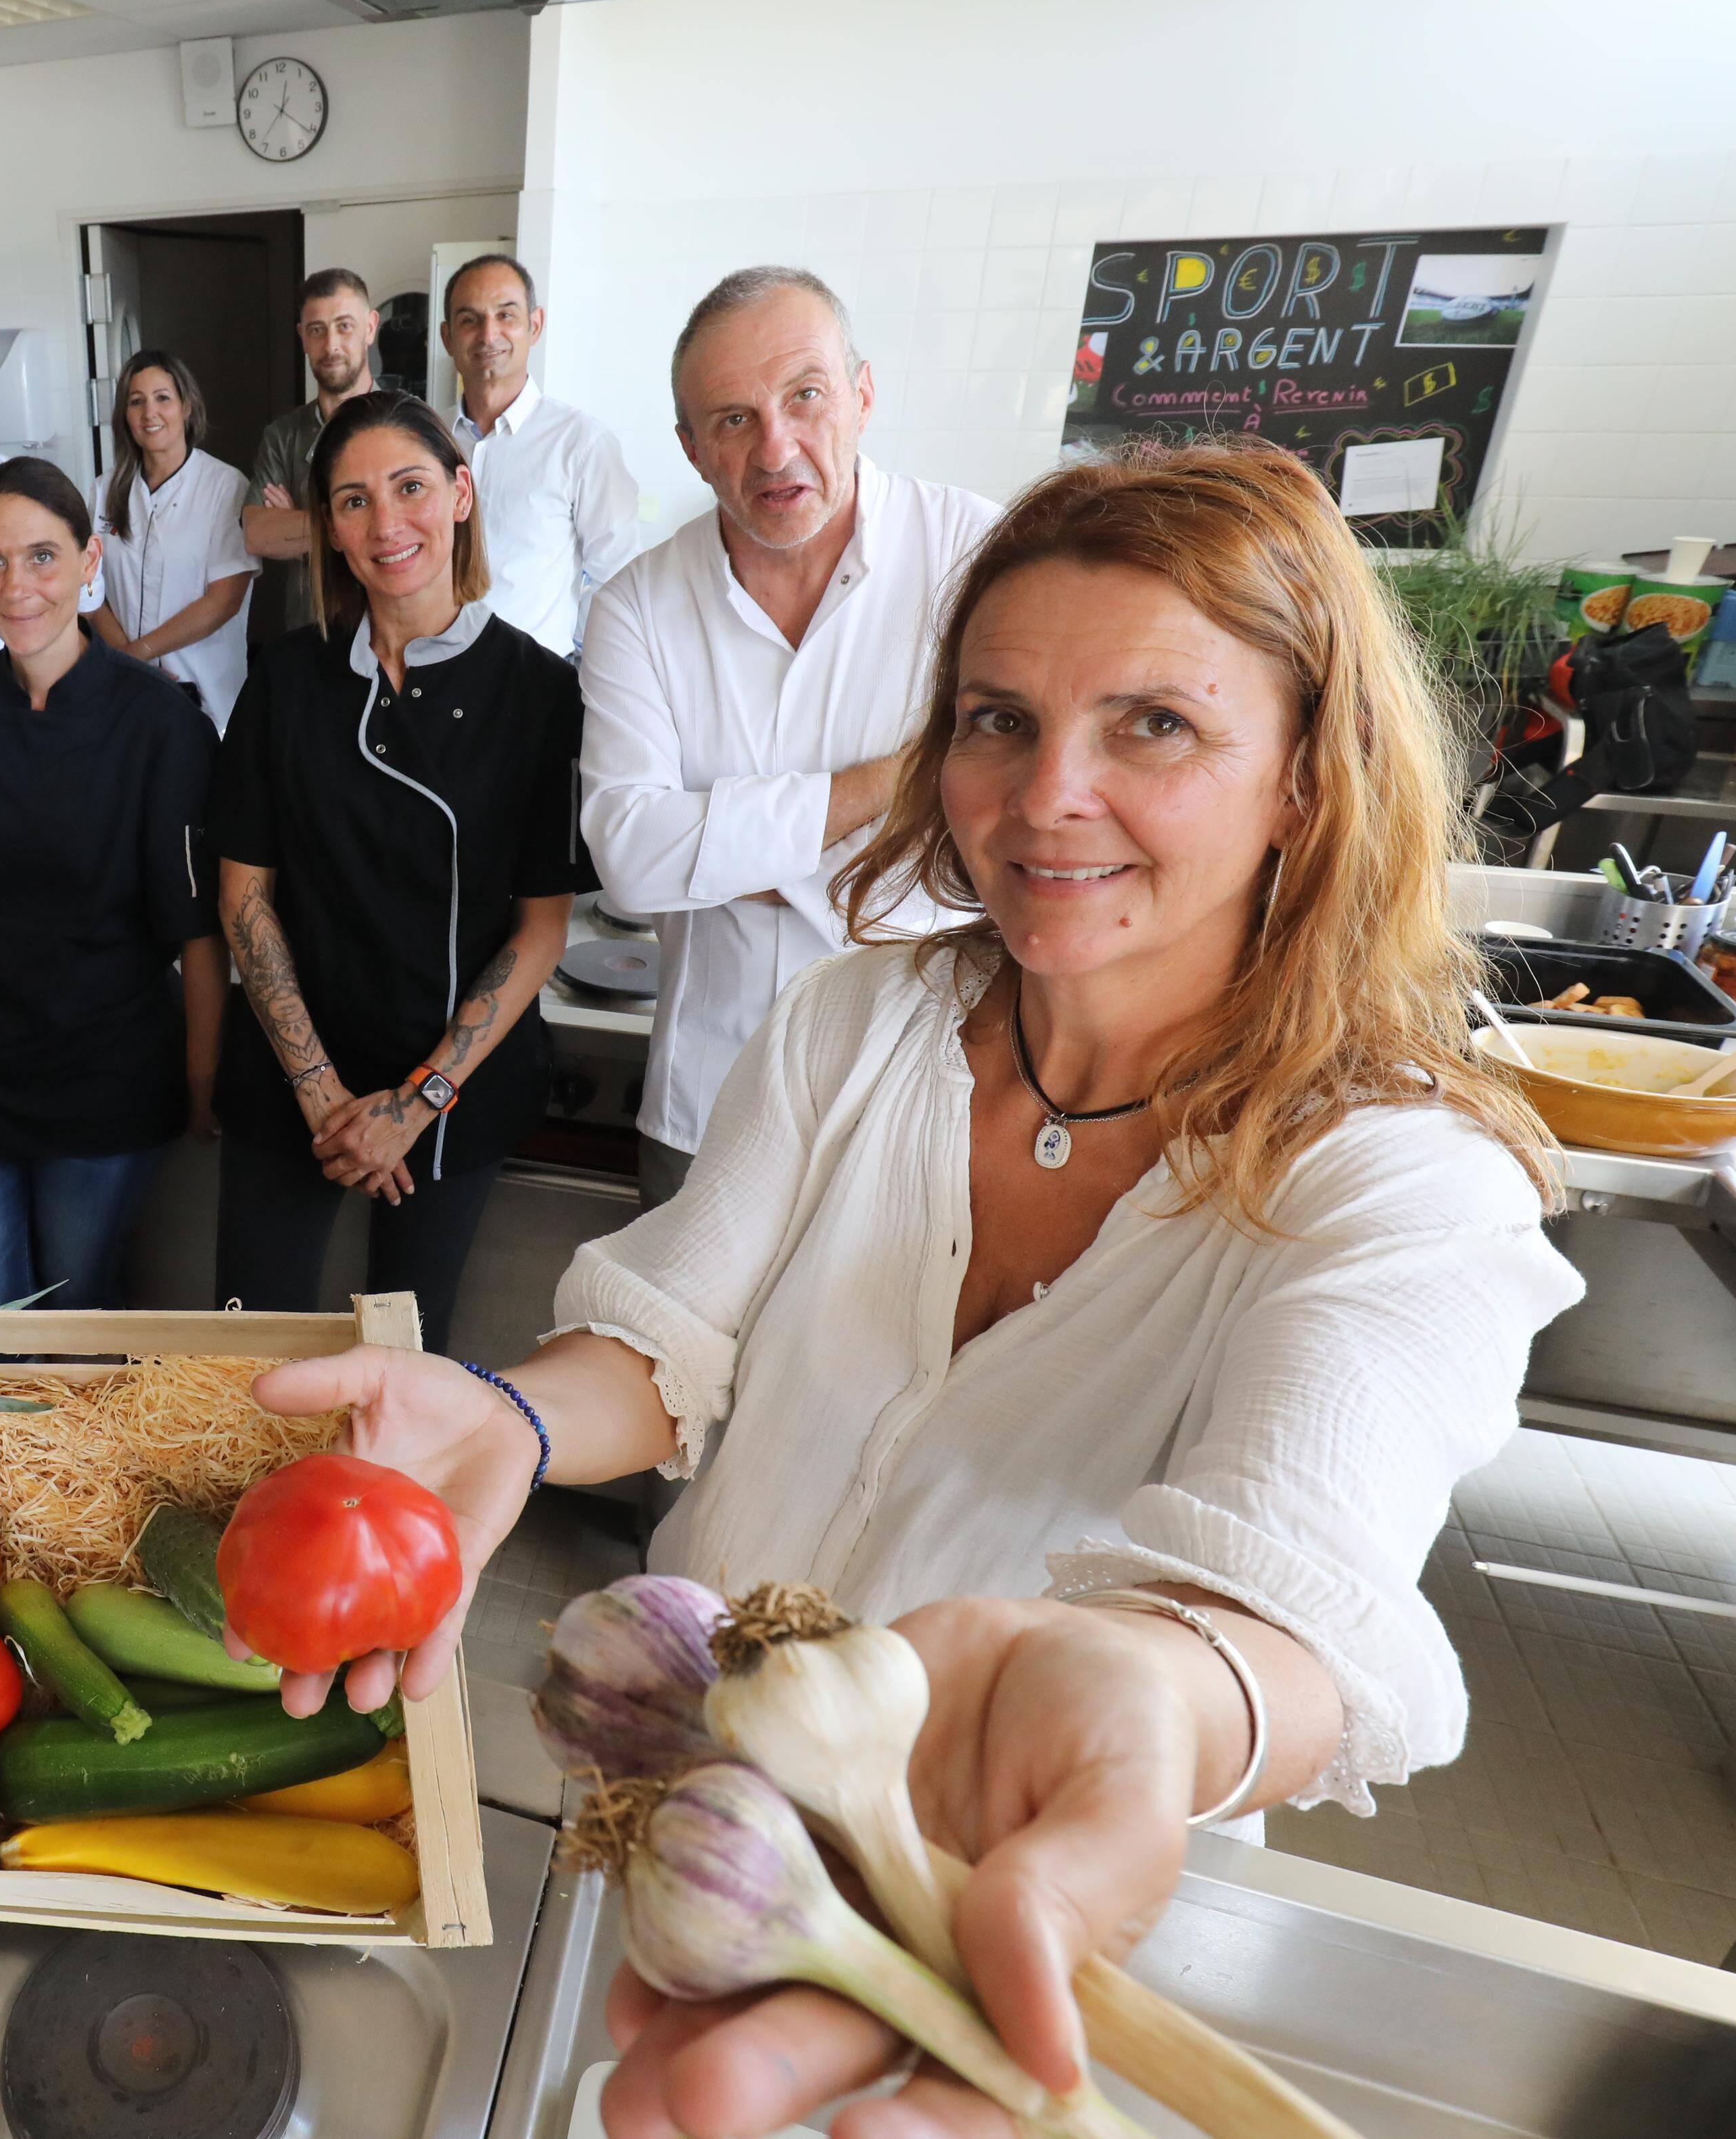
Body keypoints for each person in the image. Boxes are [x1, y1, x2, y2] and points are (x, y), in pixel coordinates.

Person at [240, 439, 1585, 2139]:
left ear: (1309, 776)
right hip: (709, 1851)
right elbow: (668, 1344)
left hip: (1026, 1929)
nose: (1043, 800)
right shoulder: (853, 1024)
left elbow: (1296, 1596)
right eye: (997, 720)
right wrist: (504, 1414)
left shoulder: (1400, 1178)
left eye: (1151, 725)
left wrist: (1152, 1697)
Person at [582, 267, 1004, 1203]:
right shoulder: (640, 607)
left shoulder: (978, 554)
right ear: (692, 448)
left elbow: (1011, 813)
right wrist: (895, 786)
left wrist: (734, 855)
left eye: (805, 396)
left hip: (923, 1100)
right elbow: (630, 859)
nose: (776, 448)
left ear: (860, 393)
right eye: (732, 419)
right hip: (709, 1108)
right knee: (670, 1353)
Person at [211, 392, 592, 1351]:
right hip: (295, 1082)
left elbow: (541, 928)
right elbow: (244, 896)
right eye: (352, 501)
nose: (387, 525)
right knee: (242, 1356)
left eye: (410, 487)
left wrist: (413, 1105)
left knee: (402, 1365)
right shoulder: (287, 681)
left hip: (448, 1100)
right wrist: (326, 1101)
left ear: (461, 496)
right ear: (328, 530)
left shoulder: (538, 692)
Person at [0, 457, 219, 1310]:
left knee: (72, 1328)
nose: (14, 584)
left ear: (88, 561)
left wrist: (202, 1082)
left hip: (102, 1084)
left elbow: (198, 934)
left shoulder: (159, 723)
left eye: (41, 556)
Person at [440, 253, 639, 659]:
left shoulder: (581, 443)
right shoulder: (425, 437)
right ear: (447, 337)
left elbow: (617, 577)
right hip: (431, 672)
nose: (488, 334)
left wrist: (570, 662)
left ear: (535, 325)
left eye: (506, 315)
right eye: (470, 320)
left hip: (534, 684)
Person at [86, 350, 258, 732]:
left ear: (187, 407)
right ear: (125, 416)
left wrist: (139, 657)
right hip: (127, 689)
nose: (150, 413)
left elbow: (223, 600)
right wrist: (133, 667)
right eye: (136, 401)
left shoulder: (225, 486)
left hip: (206, 691)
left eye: (163, 398)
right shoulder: (104, 490)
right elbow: (90, 593)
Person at [243, 268, 379, 639]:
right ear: (303, 336)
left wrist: (299, 523)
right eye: (317, 329)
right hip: (308, 635)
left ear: (370, 327)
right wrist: (362, 523)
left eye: (345, 326)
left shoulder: (408, 423)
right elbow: (257, 534)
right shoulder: (283, 436)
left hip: (391, 635)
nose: (331, 344)